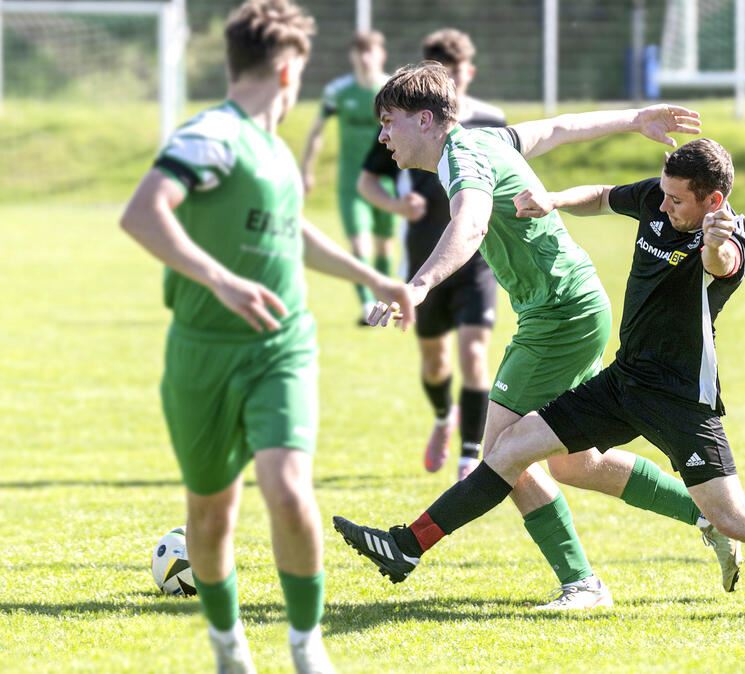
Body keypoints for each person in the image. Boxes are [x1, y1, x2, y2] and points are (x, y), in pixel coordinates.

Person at [336, 139, 745, 619]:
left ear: (712, 199)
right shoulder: (662, 199)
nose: (661, 208)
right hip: (621, 382)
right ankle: (407, 546)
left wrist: (714, 240)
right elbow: (606, 196)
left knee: (735, 517)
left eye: (676, 202)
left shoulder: (729, 238)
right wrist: (553, 199)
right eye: (660, 195)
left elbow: (723, 264)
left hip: (681, 402)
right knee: (510, 450)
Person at [335, 62, 744, 609]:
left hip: (559, 316)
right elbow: (557, 129)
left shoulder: (464, 158)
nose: (382, 135)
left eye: (389, 121)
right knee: (575, 462)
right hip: (565, 307)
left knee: (505, 452)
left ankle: (576, 583)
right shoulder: (486, 139)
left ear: (426, 120)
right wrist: (635, 118)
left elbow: (472, 222)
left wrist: (420, 286)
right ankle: (706, 514)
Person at [119, 2, 411, 672]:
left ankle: (308, 649)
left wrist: (376, 278)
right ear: (287, 70)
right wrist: (218, 278)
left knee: (287, 488)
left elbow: (290, 231)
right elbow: (142, 213)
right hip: (200, 352)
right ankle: (229, 649)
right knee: (212, 514)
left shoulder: (277, 152)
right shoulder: (212, 137)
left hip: (282, 346)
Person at [356, 29, 506, 482]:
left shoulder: (489, 122)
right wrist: (398, 206)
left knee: (475, 351)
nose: (455, 83)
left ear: (469, 73)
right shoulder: (405, 125)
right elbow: (366, 181)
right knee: (435, 362)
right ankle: (445, 417)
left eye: (459, 73)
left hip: (477, 258)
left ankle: (468, 456)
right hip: (424, 255)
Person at [300, 30, 395, 323]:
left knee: (384, 245)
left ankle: (383, 303)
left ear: (382, 54)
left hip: (386, 181)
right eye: (360, 51)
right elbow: (316, 130)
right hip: (351, 183)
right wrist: (306, 169)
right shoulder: (338, 91)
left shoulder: (392, 90)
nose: (365, 57)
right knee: (359, 244)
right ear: (353, 56)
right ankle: (367, 306)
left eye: (371, 51)